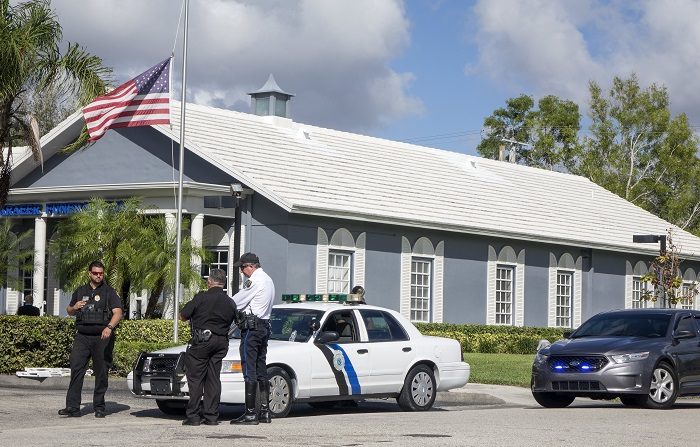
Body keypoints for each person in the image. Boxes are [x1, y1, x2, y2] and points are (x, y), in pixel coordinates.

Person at [58, 261, 122, 418]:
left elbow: (118, 312)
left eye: (101, 273)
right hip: (82, 336)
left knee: (101, 372)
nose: (98, 276)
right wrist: (75, 307)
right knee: (76, 369)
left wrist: (109, 327)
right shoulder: (80, 291)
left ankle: (99, 407)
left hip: (102, 336)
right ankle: (73, 407)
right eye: (95, 273)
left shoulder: (109, 292)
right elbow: (69, 310)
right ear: (89, 273)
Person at [179, 268, 236, 426]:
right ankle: (211, 416)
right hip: (221, 342)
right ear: (223, 283)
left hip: (202, 342)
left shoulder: (201, 297)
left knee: (196, 378)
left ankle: (194, 416)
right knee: (213, 378)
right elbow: (235, 320)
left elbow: (183, 316)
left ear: (209, 282)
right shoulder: (230, 302)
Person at [230, 252, 275, 425]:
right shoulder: (268, 279)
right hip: (264, 326)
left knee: (249, 369)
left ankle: (250, 413)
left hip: (252, 328)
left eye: (242, 268)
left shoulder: (255, 280)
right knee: (261, 368)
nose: (241, 272)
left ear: (250, 266)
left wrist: (222, 302)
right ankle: (264, 411)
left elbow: (237, 302)